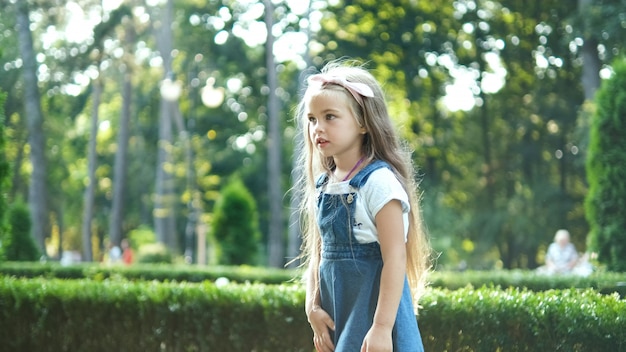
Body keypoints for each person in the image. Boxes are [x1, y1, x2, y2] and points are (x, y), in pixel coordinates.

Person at [295, 61, 431, 352]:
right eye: (312, 119)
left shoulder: (378, 183)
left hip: (374, 321)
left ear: (363, 123)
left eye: (330, 117)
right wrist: (311, 307)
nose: (318, 128)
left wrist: (382, 328)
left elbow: (395, 257)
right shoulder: (324, 185)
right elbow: (317, 253)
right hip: (340, 317)